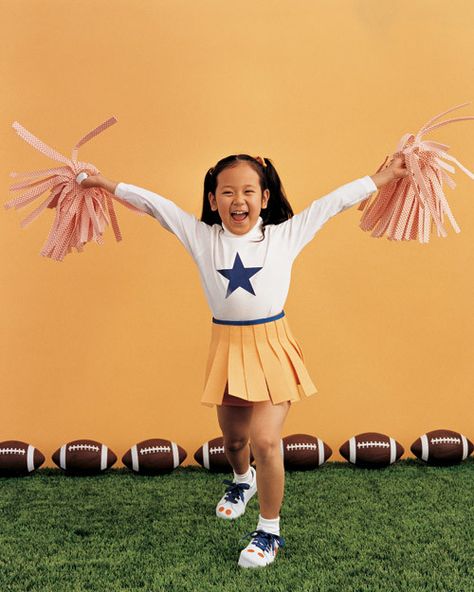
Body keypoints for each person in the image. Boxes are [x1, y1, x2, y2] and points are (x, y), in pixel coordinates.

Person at [80, 153, 408, 569]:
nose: (239, 200)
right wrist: (104, 182)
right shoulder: (201, 237)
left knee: (266, 442)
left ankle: (268, 531)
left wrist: (384, 176)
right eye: (228, 192)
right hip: (228, 349)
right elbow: (154, 206)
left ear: (265, 197)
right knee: (234, 442)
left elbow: (334, 202)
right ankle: (241, 481)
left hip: (272, 346)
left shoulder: (285, 235)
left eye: (249, 191)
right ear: (214, 200)